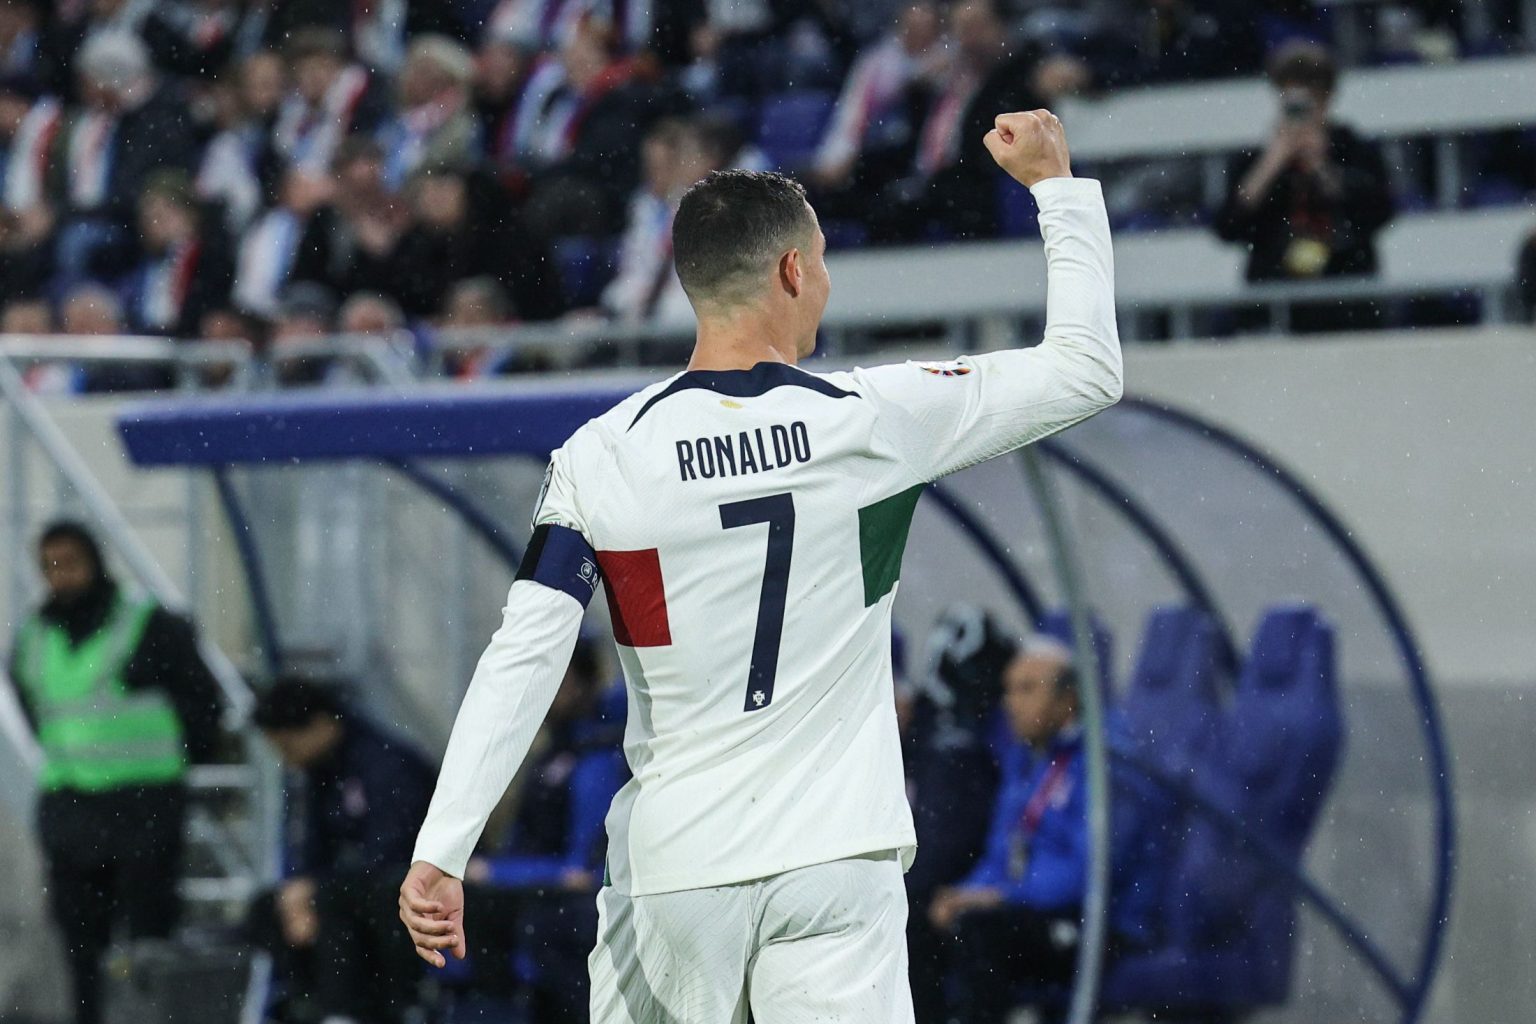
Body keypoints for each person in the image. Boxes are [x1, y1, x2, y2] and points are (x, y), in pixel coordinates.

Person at [399, 108, 1120, 1023]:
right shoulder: (876, 418)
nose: (825, 282)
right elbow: (1087, 370)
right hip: (836, 861)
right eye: (820, 260)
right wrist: (1056, 188)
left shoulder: (604, 454)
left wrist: (444, 846)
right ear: (790, 271)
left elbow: (525, 656)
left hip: (679, 867)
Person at [5, 521, 224, 1024]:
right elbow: (35, 708)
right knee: (80, 939)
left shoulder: (146, 624)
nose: (61, 576)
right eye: (50, 566)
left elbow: (201, 703)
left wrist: (179, 759)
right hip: (71, 804)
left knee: (149, 936)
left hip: (143, 802)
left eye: (71, 563)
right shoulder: (35, 636)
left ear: (96, 562)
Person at [927, 639, 1164, 1024]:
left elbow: (1091, 871)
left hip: (1097, 924)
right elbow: (1002, 852)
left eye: (1027, 689)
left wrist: (1000, 898)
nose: (1011, 703)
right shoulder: (1028, 758)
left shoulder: (1106, 761)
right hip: (1031, 912)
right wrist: (964, 894)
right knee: (924, 922)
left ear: (1067, 699)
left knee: (981, 933)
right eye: (1008, 689)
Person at [456, 637, 627, 1023]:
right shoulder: (551, 751)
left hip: (570, 897)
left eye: (558, 679)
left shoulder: (600, 755)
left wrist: (496, 873)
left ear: (585, 682)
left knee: (525, 922)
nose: (545, 691)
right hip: (533, 886)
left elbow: (580, 871)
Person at [249, 676, 435, 1024]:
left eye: (288, 747)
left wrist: (317, 887)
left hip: (407, 882)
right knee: (268, 907)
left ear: (320, 724)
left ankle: (349, 1010)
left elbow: (393, 849)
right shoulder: (321, 773)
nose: (288, 760)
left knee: (338, 900)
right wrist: (300, 891)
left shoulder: (387, 763)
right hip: (351, 882)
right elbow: (315, 848)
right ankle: (303, 1001)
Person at [1213, 42, 1394, 330]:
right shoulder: (1256, 158)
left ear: (1327, 100)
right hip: (1274, 305)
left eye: (1312, 101)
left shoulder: (1355, 150)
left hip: (1347, 302)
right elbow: (1227, 226)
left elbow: (1380, 212)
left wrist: (1321, 166)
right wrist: (1272, 162)